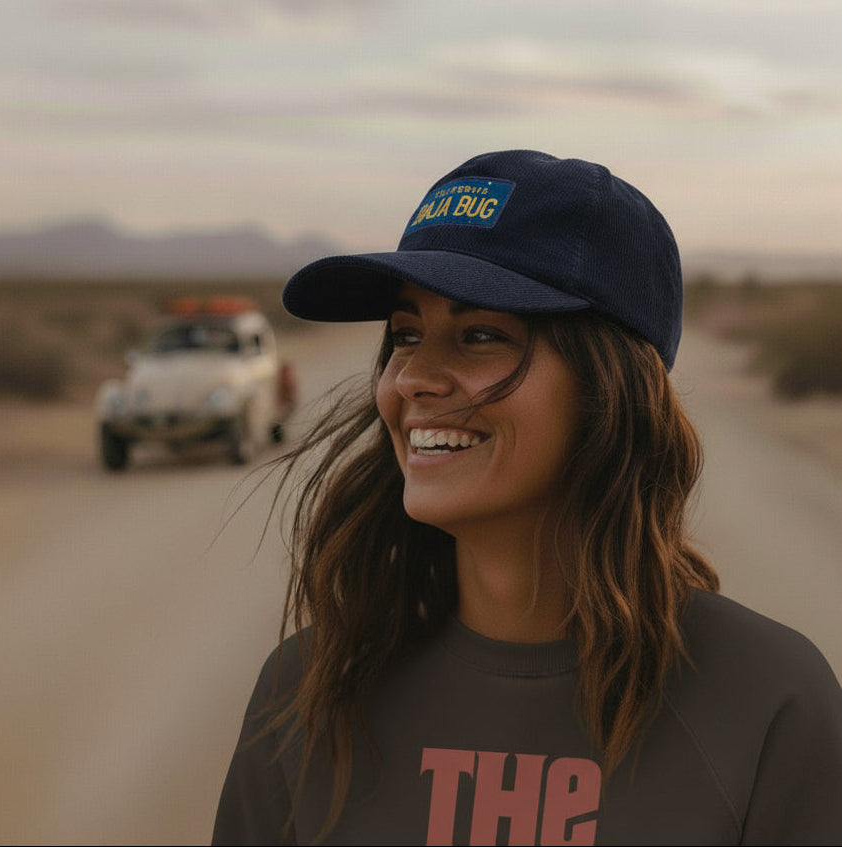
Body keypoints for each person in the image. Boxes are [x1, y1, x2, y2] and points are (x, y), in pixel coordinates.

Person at [212, 150, 842, 846]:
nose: (411, 378)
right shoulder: (308, 689)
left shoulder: (766, 701)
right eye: (404, 335)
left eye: (481, 335)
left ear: (609, 388)